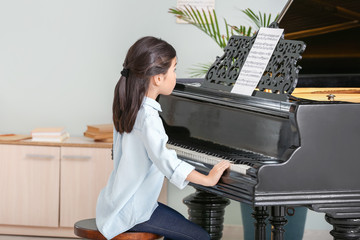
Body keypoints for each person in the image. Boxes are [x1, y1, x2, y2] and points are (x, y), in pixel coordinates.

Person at [96, 36, 231, 240]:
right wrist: (207, 179)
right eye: (174, 69)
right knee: (200, 238)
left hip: (121, 202)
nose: (175, 76)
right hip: (135, 211)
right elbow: (167, 161)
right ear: (158, 78)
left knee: (178, 230)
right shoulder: (149, 118)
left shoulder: (131, 105)